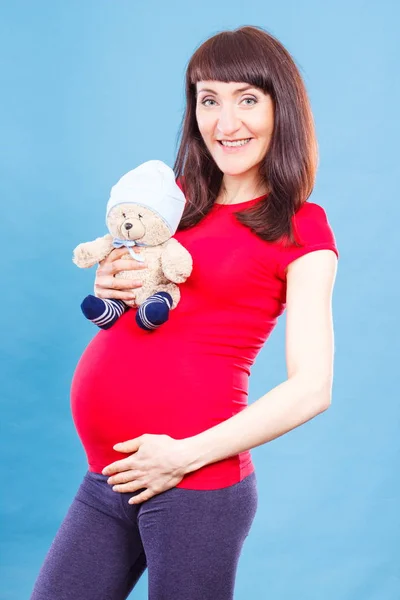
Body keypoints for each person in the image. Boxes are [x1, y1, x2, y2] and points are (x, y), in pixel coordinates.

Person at [30, 25, 339, 600]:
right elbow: (153, 319)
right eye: (209, 100)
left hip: (194, 482)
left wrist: (180, 457)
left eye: (248, 99)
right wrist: (114, 287)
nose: (226, 123)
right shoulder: (171, 203)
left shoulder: (302, 226)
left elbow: (313, 387)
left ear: (281, 109)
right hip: (110, 476)